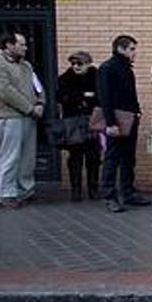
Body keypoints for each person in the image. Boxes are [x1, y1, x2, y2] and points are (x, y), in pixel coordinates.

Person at [0, 32, 43, 208]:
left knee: (27, 156)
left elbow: (37, 86)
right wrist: (30, 108)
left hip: (29, 116)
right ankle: (7, 193)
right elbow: (5, 91)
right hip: (9, 116)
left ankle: (25, 190)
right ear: (9, 45)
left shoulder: (26, 66)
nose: (25, 48)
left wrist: (40, 102)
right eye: (21, 44)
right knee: (10, 156)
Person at [97, 35, 149, 213]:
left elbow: (129, 94)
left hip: (130, 117)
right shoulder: (107, 68)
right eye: (132, 49)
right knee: (112, 158)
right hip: (117, 119)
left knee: (129, 158)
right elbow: (105, 97)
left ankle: (128, 192)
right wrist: (110, 123)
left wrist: (137, 110)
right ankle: (109, 195)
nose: (135, 53)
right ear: (121, 48)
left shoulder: (126, 68)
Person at [56, 51, 100, 202]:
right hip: (73, 122)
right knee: (75, 157)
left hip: (93, 121)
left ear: (88, 63)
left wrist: (82, 97)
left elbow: (101, 97)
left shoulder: (97, 77)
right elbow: (61, 97)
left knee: (93, 157)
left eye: (79, 63)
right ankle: (76, 190)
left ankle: (93, 189)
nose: (76, 66)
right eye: (73, 63)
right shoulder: (65, 79)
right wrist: (84, 96)